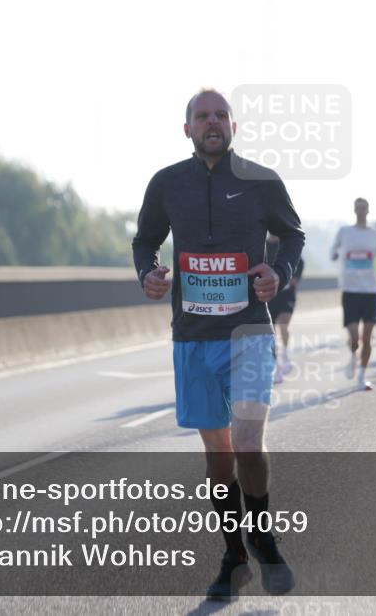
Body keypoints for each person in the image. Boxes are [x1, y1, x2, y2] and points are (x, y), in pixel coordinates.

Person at [132, 89, 303, 600]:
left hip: (248, 331)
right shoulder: (166, 184)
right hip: (192, 336)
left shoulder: (261, 183)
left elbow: (293, 235)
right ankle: (233, 556)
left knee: (249, 443)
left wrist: (279, 270)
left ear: (234, 125)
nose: (213, 122)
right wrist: (149, 274)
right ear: (187, 129)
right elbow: (144, 240)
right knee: (218, 454)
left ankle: (264, 539)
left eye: (221, 115)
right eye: (202, 116)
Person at [330, 198, 376, 391]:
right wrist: (335, 255)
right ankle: (353, 356)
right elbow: (332, 250)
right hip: (350, 290)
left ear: (368, 210)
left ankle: (362, 375)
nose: (361, 210)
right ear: (354, 210)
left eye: (364, 207)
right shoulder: (345, 232)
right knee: (354, 337)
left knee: (367, 338)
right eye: (358, 207)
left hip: (371, 291)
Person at [265, 233, 304, 382]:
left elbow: (300, 261)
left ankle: (286, 355)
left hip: (287, 294)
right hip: (269, 296)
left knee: (283, 325)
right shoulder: (261, 245)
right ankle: (276, 366)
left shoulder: (286, 242)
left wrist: (296, 277)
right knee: (271, 334)